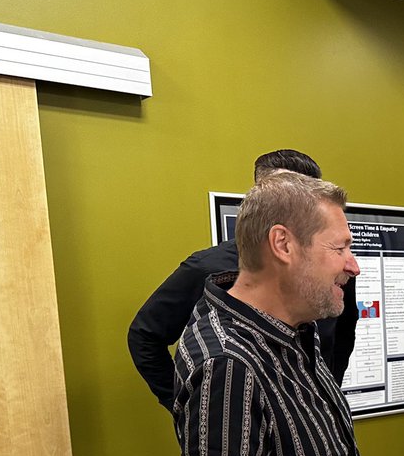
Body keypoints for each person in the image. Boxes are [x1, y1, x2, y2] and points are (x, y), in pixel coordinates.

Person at [173, 172, 404, 456]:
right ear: (283, 244)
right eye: (339, 248)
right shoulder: (228, 364)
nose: (352, 266)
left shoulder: (297, 332)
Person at [128, 149, 359, 412]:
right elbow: (145, 335)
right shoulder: (208, 269)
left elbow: (344, 331)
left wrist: (327, 396)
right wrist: (184, 404)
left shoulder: (335, 268)